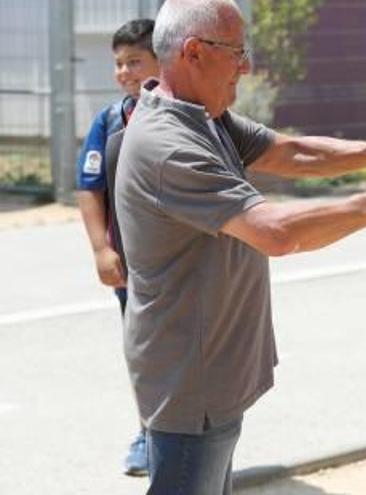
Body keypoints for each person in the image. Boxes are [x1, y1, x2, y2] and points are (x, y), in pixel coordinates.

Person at [114, 1, 366, 493]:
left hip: (210, 371)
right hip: (190, 378)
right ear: (194, 53)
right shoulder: (168, 143)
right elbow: (275, 231)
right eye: (237, 51)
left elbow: (288, 151)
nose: (247, 66)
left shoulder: (204, 117)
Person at [74, 18, 159, 477]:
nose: (124, 71)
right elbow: (90, 188)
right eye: (119, 63)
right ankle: (148, 433)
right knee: (142, 352)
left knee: (194, 352)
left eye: (135, 61)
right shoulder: (109, 120)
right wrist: (100, 250)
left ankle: (197, 440)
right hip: (133, 267)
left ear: (162, 63)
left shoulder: (192, 114)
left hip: (184, 264)